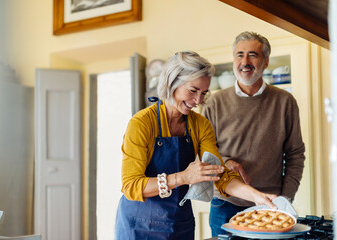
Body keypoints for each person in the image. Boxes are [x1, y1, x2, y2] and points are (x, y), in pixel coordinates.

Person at [114, 51, 277, 239]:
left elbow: (218, 174)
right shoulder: (142, 123)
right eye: (193, 91)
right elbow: (131, 186)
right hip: (139, 226)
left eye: (203, 93)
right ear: (172, 82)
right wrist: (183, 177)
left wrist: (256, 196)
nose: (198, 101)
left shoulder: (200, 124)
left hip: (179, 223)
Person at [202, 31, 306, 236]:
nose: (245, 61)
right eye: (239, 55)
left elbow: (295, 155)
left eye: (253, 55)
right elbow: (204, 155)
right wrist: (225, 162)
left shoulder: (285, 102)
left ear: (266, 61)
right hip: (225, 205)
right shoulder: (213, 102)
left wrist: (284, 198)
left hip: (270, 205)